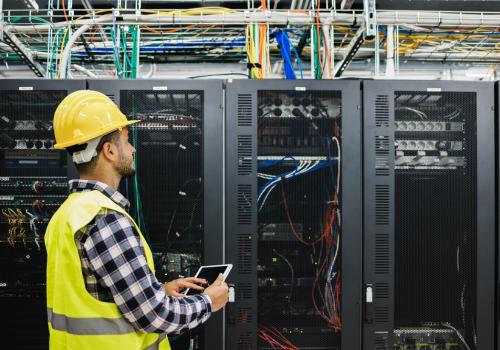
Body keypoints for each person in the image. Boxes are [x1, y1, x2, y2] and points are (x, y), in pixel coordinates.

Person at [45, 90, 228, 349]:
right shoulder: (105, 218)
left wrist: (159, 290)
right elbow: (155, 316)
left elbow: (94, 297)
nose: (133, 149)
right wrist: (210, 301)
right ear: (109, 150)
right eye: (127, 140)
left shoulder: (68, 213)